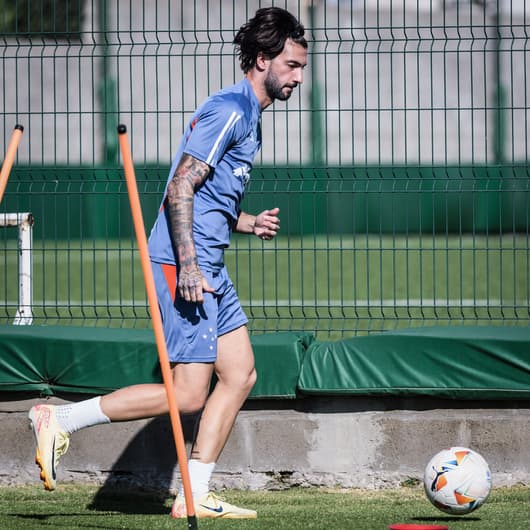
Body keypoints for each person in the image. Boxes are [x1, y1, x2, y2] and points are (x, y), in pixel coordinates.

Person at [28, 6, 308, 520]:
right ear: (263, 59)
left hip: (208, 262)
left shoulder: (249, 114)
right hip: (187, 263)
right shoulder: (230, 109)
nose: (298, 77)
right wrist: (190, 266)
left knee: (241, 373)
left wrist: (245, 223)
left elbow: (209, 195)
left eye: (301, 68)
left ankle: (194, 494)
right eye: (291, 66)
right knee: (186, 396)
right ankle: (60, 419)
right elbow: (181, 185)